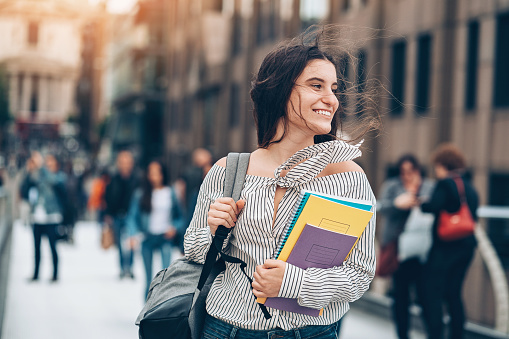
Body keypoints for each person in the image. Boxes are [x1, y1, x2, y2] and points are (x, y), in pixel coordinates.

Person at [184, 27, 380, 338]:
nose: (331, 100)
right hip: (227, 329)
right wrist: (212, 230)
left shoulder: (348, 177)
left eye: (334, 89)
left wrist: (293, 283)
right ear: (279, 91)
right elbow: (193, 251)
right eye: (316, 86)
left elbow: (359, 274)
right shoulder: (227, 171)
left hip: (312, 333)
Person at [419, 144, 478, 339]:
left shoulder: (445, 183)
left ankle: (435, 335)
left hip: (445, 249)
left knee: (432, 294)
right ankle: (457, 335)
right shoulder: (470, 186)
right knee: (454, 294)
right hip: (467, 248)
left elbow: (433, 206)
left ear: (442, 164)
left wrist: (422, 202)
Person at [378, 154, 434, 339]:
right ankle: (403, 335)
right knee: (400, 297)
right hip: (398, 249)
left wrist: (420, 202)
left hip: (423, 250)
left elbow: (437, 209)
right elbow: (380, 207)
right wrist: (398, 204)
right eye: (404, 172)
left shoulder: (429, 186)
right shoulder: (392, 186)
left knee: (426, 296)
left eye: (411, 171)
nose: (407, 176)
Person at [126, 160, 183, 297]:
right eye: (151, 173)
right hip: (148, 238)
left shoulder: (171, 193)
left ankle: (160, 311)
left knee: (165, 278)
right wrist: (132, 235)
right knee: (148, 279)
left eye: (157, 173)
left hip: (165, 238)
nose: (154, 177)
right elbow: (132, 217)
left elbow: (180, 217)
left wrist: (174, 227)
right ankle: (146, 312)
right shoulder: (140, 194)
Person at [20, 152, 68, 282]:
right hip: (37, 217)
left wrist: (41, 167)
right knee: (36, 248)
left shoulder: (58, 177)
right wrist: (29, 171)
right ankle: (36, 273)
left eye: (50, 163)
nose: (47, 166)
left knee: (53, 247)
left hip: (52, 217)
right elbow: (24, 190)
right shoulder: (37, 176)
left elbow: (53, 182)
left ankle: (55, 274)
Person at [104, 150, 139, 279]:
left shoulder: (136, 179)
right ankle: (122, 267)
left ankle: (129, 267)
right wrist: (108, 213)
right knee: (119, 243)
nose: (125, 165)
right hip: (116, 214)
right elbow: (107, 196)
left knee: (130, 242)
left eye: (127, 162)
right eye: (122, 162)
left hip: (131, 215)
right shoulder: (113, 179)